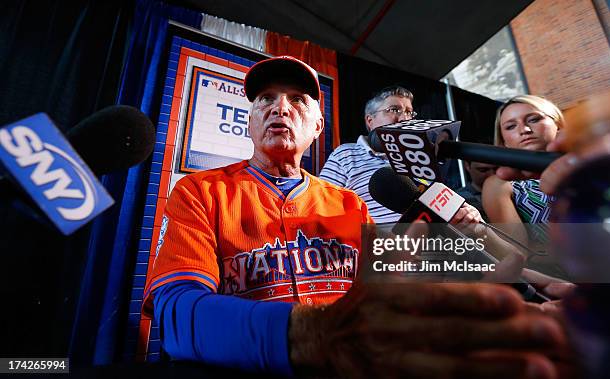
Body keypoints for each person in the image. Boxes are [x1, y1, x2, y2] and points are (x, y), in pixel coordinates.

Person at [143, 57, 570, 378]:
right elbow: (176, 311)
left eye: (297, 100)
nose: (280, 109)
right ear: (249, 121)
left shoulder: (348, 204)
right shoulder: (200, 191)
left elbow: (396, 282)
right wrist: (315, 334)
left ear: (317, 126)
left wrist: (496, 281)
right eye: (265, 100)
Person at [319, 86, 415, 223]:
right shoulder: (346, 155)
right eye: (394, 110)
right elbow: (321, 208)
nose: (405, 118)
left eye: (409, 112)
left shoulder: (420, 161)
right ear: (370, 120)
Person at [482, 95, 564, 246]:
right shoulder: (500, 184)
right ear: (503, 140)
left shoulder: (589, 161)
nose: (524, 130)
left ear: (557, 123)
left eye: (533, 119)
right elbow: (520, 254)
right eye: (510, 126)